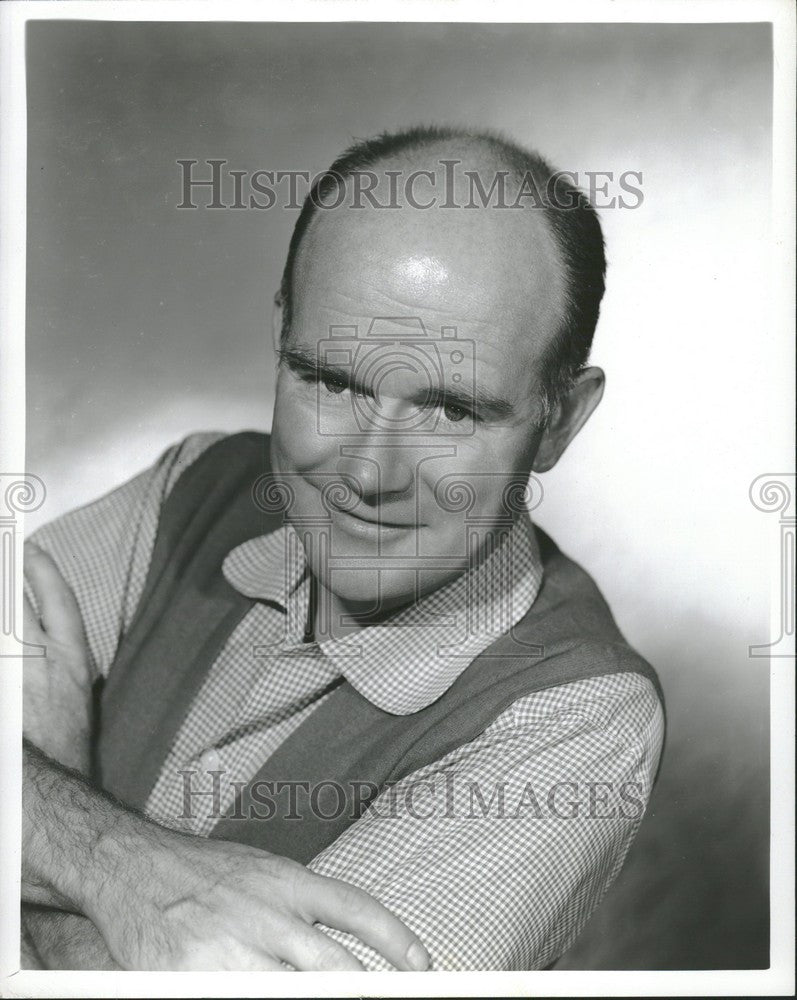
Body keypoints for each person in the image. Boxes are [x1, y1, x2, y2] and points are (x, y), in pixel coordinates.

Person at [21, 126, 664, 971]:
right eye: (329, 381)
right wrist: (118, 867)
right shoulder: (189, 485)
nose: (366, 472)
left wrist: (59, 825)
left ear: (561, 420)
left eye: (452, 411)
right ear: (279, 332)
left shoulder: (578, 718)